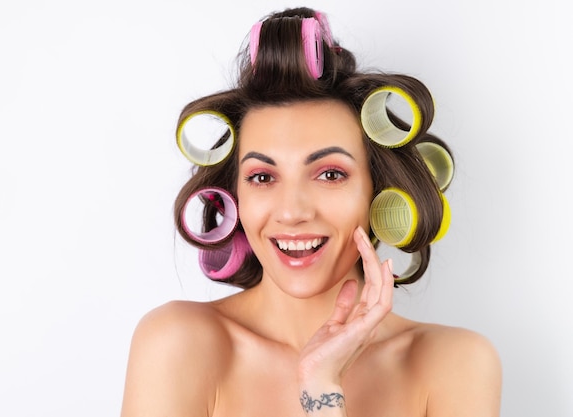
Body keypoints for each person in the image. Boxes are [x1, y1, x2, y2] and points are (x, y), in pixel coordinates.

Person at [120, 7, 502, 417]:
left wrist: (321, 387)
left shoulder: (454, 364)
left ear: (379, 190)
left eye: (330, 174)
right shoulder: (178, 344)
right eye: (263, 178)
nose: (292, 211)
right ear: (235, 198)